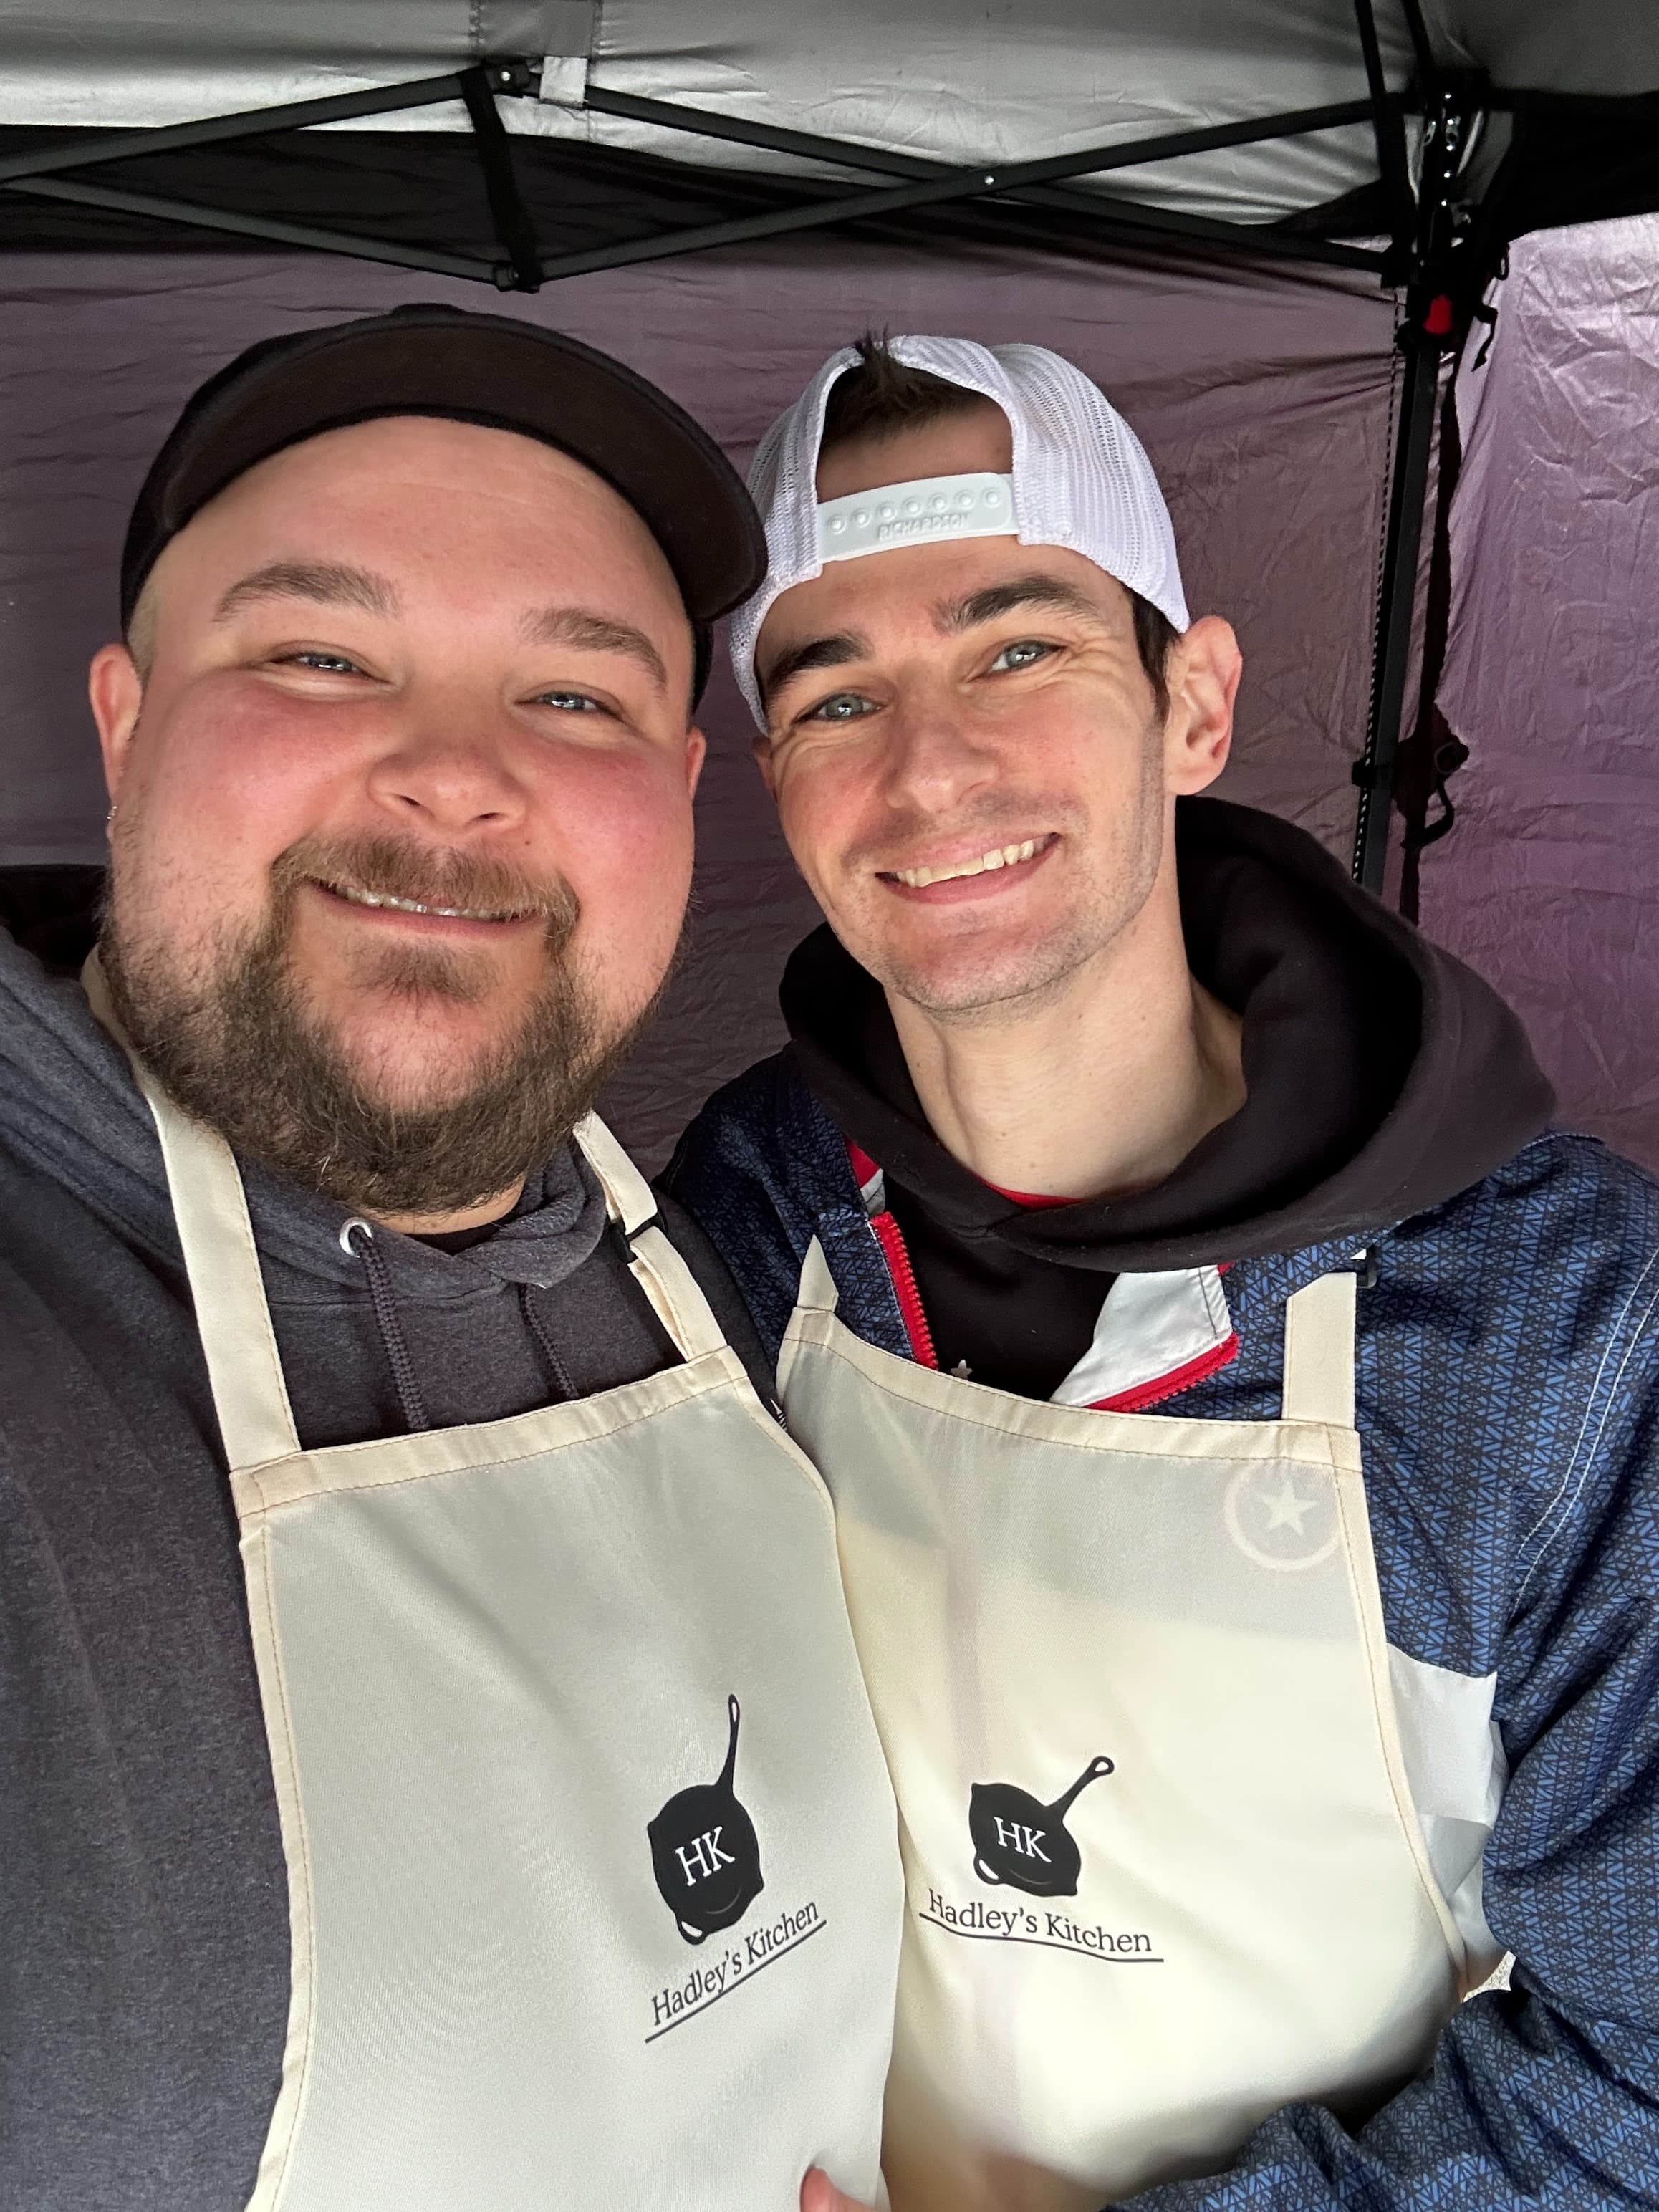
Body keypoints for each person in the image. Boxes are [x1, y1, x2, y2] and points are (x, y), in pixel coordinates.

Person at [665, 334, 1659, 2211]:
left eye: (1013, 649)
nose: (927, 771)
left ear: (1190, 704)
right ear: (776, 784)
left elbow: (1643, 2063)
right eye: (832, 695)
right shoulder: (745, 1215)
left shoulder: (1565, 1329)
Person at [0, 304, 903, 2212]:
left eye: (570, 698)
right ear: (123, 725)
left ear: (676, 789)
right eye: (321, 654)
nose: (451, 773)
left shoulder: (730, 1262)